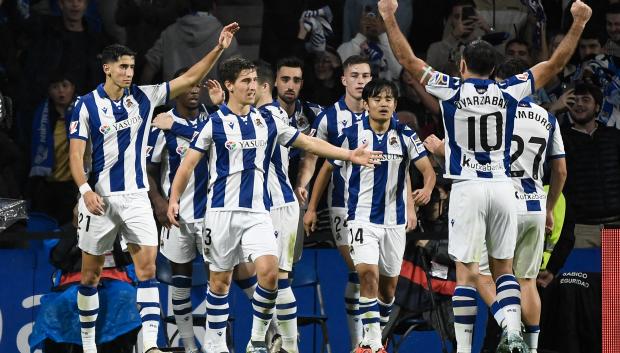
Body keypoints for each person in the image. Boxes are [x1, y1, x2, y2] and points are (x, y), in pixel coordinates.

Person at [378, 0, 591, 352]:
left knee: (467, 271)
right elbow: (555, 63)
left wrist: (388, 17)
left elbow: (407, 60)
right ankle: (511, 330)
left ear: (462, 65)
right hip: (503, 188)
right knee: (506, 271)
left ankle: (465, 349)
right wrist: (579, 22)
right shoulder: (511, 90)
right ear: (494, 71)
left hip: (468, 187)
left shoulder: (452, 88)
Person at [165, 56, 381, 353]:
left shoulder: (267, 120)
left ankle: (256, 341)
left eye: (254, 80)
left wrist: (349, 155)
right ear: (229, 86)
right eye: (245, 81)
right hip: (221, 213)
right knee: (220, 284)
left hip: (258, 213)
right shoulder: (214, 124)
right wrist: (174, 198)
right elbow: (187, 165)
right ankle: (215, 344)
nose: (253, 86)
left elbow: (308, 143)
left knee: (268, 273)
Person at [67, 23, 239, 353]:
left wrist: (219, 47)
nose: (130, 72)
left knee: (146, 270)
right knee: (89, 276)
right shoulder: (85, 105)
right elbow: (76, 155)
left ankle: (149, 346)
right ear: (108, 68)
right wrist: (85, 189)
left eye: (132, 66)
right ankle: (88, 346)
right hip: (99, 199)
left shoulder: (144, 98)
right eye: (123, 67)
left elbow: (189, 79)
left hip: (136, 197)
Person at [425, 58, 568, 353]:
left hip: (500, 202)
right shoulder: (547, 117)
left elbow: (470, 152)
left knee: (476, 273)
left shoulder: (497, 110)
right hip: (534, 207)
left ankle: (507, 326)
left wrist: (441, 151)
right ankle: (531, 347)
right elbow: (561, 171)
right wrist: (550, 207)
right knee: (526, 281)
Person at [309, 79, 436, 353]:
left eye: (389, 99)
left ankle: (376, 336)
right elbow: (327, 170)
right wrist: (311, 208)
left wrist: (426, 189)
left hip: (394, 222)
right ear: (365, 105)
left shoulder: (405, 135)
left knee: (388, 290)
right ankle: (372, 343)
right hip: (360, 219)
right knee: (367, 274)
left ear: (395, 104)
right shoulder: (352, 136)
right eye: (377, 99)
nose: (384, 103)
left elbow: (427, 170)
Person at [296, 54, 372, 350]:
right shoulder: (330, 117)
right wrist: (309, 198)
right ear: (344, 80)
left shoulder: (381, 112)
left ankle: (370, 340)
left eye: (365, 75)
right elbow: (316, 157)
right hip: (342, 204)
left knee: (375, 275)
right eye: (355, 75)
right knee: (360, 270)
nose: (361, 81)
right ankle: (360, 342)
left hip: (379, 208)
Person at [145, 67, 209, 353]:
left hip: (212, 214)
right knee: (180, 278)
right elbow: (147, 169)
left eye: (198, 86)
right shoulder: (162, 124)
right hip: (177, 215)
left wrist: (177, 128)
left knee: (219, 278)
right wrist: (159, 202)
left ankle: (213, 344)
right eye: (190, 85)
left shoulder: (214, 119)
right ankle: (187, 344)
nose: (194, 90)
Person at [29, 73, 78, 225]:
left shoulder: (84, 112)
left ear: (73, 88)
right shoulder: (42, 116)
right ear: (49, 91)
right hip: (48, 184)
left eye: (65, 86)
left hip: (74, 185)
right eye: (55, 87)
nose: (61, 91)